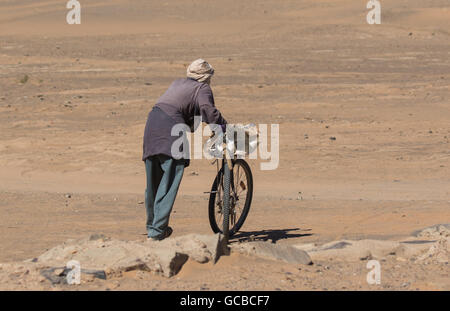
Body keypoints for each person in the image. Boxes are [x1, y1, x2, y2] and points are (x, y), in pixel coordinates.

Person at [142, 59, 227, 241]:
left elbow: (189, 113)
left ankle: (153, 229)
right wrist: (224, 127)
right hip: (171, 131)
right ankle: (156, 232)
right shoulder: (202, 88)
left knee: (153, 185)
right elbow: (207, 109)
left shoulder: (177, 83)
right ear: (206, 77)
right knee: (169, 183)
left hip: (152, 125)